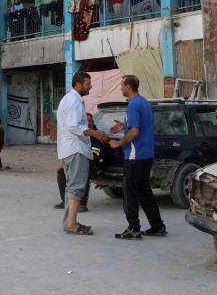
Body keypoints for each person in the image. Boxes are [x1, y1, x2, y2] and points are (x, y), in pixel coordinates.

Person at [109, 75, 167, 239]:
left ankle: (133, 227)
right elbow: (136, 125)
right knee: (144, 192)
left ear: (128, 86)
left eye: (121, 85)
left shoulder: (133, 104)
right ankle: (157, 226)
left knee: (129, 193)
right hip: (146, 154)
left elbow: (135, 131)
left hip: (135, 156)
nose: (120, 88)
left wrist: (118, 143)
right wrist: (122, 126)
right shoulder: (143, 102)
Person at [57, 71, 107, 235]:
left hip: (70, 149)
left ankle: (69, 222)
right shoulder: (73, 101)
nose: (90, 86)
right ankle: (71, 224)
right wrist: (95, 133)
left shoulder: (71, 99)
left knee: (71, 188)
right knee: (77, 188)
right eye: (87, 84)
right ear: (78, 84)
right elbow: (73, 126)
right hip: (75, 150)